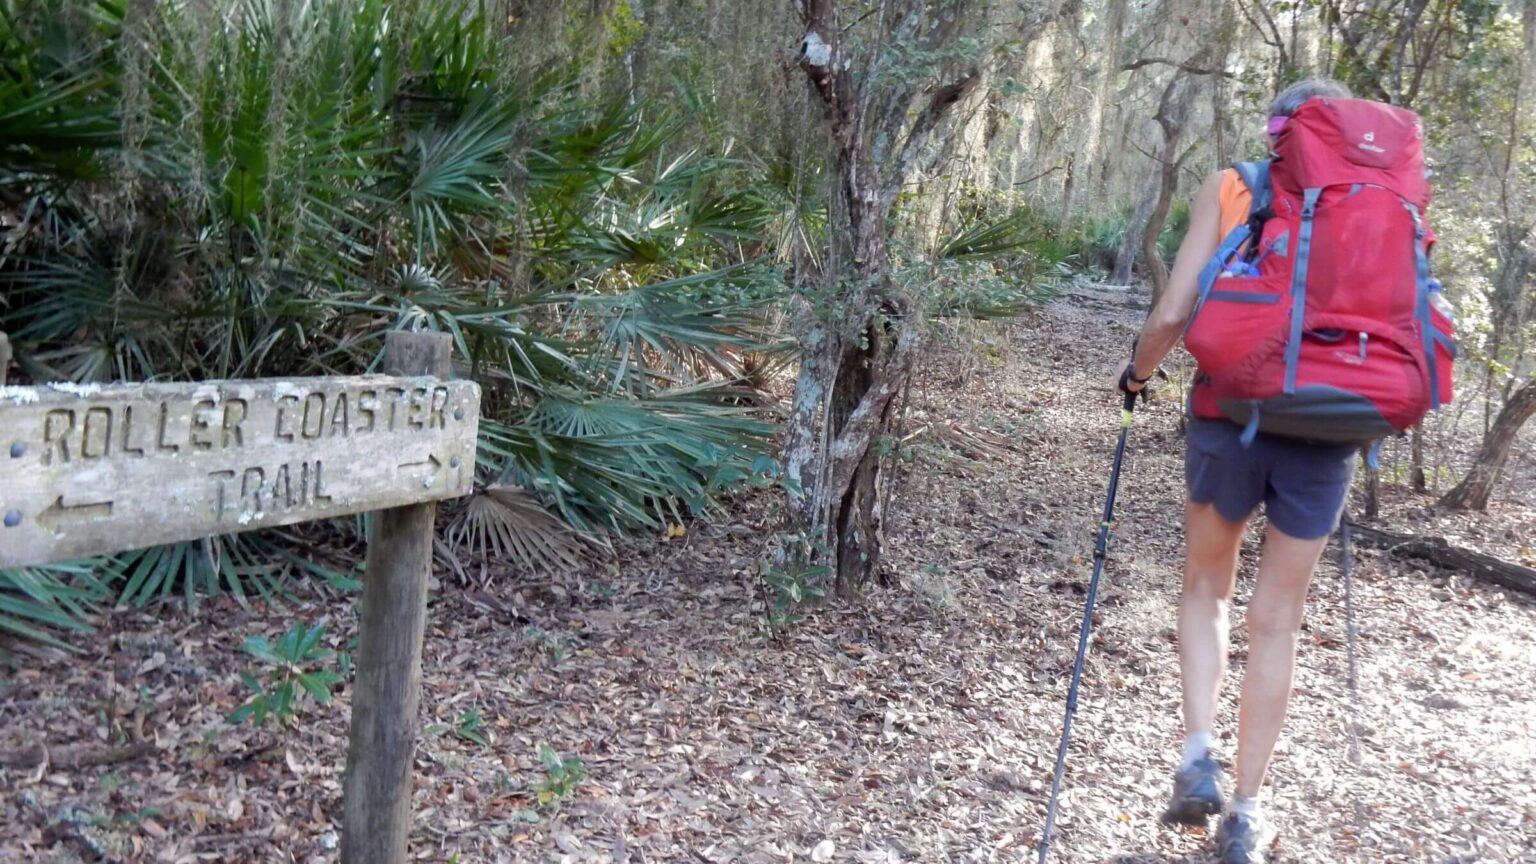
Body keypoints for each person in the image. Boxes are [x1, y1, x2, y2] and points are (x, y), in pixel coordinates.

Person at [1115, 78, 1358, 864]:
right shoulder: (1376, 199)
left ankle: (1196, 757)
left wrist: (1138, 375)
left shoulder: (1232, 185)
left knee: (1205, 587)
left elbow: (1173, 314)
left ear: (1275, 128)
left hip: (1228, 413)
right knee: (1278, 617)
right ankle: (1247, 814)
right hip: (1328, 430)